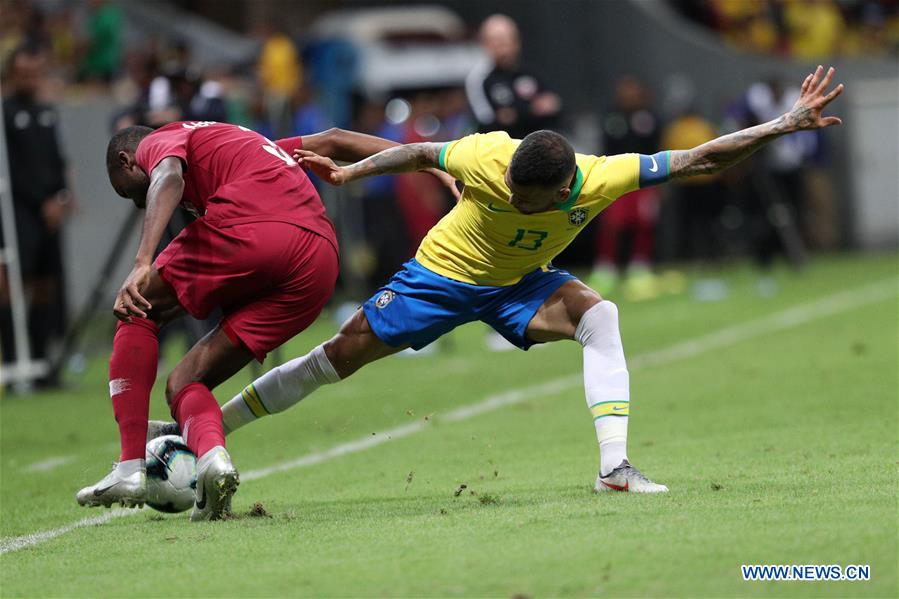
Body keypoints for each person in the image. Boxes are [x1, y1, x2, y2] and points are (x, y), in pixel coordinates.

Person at [194, 68, 843, 494]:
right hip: (440, 275)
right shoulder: (488, 155)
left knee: (601, 314)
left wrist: (781, 126)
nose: (511, 195)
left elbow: (701, 157)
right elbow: (420, 153)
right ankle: (205, 431)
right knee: (336, 357)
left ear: (564, 191)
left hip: (521, 284)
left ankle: (613, 467)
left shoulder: (604, 174)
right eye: (509, 189)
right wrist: (350, 174)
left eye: (526, 197)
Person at [75, 122, 458, 520]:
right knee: (185, 381)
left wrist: (142, 262)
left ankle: (129, 466)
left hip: (252, 227)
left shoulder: (162, 140)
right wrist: (426, 162)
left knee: (135, 304)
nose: (137, 201)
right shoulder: (250, 148)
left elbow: (167, 174)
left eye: (128, 189)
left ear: (127, 160)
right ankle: (212, 460)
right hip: (318, 261)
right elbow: (334, 140)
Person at [1, 45, 74, 383]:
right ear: (12, 75)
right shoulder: (5, 113)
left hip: (51, 212)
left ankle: (44, 363)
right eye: (24, 74)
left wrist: (61, 198)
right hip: (17, 213)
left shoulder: (48, 113)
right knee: (14, 283)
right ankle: (15, 361)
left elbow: (59, 161)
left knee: (47, 286)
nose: (31, 80)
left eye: (36, 73)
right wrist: (38, 201)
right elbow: (12, 170)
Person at [465, 14, 561, 140]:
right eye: (496, 40)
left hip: (538, 147)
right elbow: (490, 122)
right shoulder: (480, 79)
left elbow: (553, 107)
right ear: (485, 44)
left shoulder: (529, 74)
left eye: (507, 39)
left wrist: (517, 112)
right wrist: (532, 110)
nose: (503, 46)